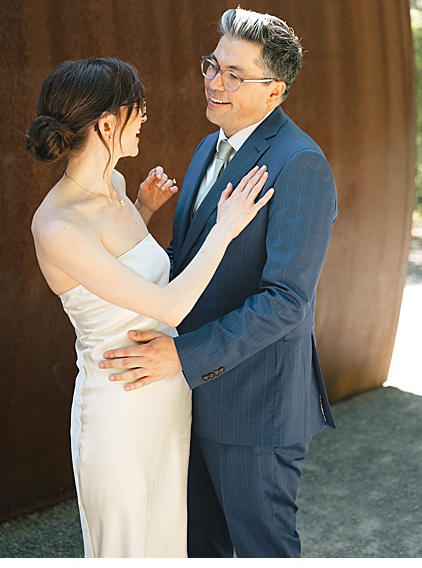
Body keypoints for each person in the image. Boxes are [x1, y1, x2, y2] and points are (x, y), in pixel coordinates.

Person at [97, 7, 338, 558]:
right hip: (192, 397)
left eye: (235, 74)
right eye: (212, 65)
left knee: (261, 549)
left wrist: (181, 356)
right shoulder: (211, 146)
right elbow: (194, 264)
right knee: (201, 545)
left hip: (256, 403)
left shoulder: (300, 165)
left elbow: (286, 302)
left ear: (275, 90)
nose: (214, 82)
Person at [27, 56, 275, 557]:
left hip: (166, 398)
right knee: (125, 549)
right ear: (105, 124)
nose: (144, 117)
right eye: (137, 109)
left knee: (166, 545)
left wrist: (141, 212)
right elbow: (169, 306)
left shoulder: (118, 188)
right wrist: (225, 228)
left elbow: (116, 278)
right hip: (118, 409)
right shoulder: (56, 226)